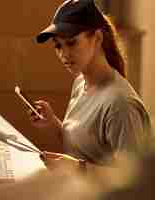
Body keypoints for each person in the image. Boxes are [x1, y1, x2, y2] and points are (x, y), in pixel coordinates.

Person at [28, 0, 153, 171]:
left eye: (71, 43)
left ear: (97, 38)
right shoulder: (80, 82)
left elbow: (136, 184)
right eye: (58, 46)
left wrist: (78, 169)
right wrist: (52, 124)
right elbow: (82, 149)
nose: (64, 54)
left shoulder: (120, 105)